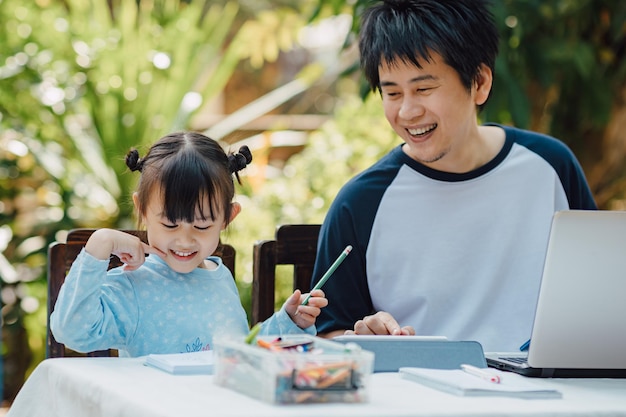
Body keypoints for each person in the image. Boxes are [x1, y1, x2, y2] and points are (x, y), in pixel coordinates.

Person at [311, 0, 596, 352]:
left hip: (547, 394)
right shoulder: (361, 202)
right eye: (392, 93)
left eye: (424, 88)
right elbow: (326, 335)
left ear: (479, 82)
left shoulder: (551, 165)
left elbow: (600, 293)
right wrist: (363, 339)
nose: (407, 111)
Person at [50, 132, 327, 357]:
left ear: (227, 218)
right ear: (143, 210)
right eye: (170, 224)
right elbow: (72, 331)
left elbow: (238, 355)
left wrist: (289, 323)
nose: (184, 239)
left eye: (202, 226)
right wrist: (101, 241)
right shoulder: (133, 283)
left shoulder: (220, 277)